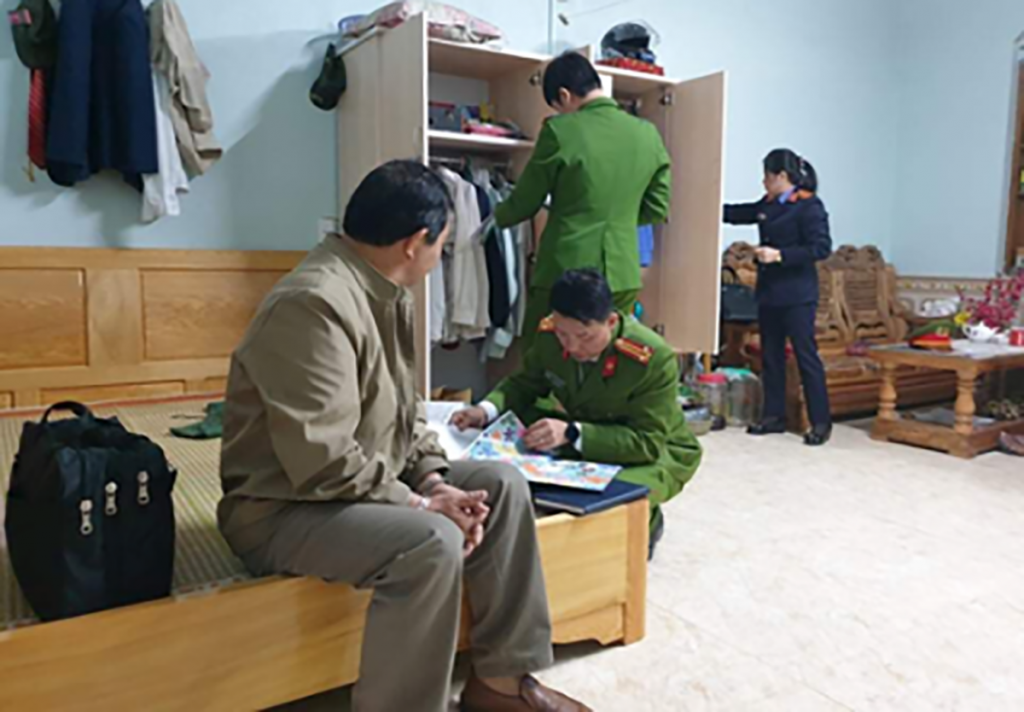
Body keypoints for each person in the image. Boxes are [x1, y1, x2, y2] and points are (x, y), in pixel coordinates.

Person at [218, 160, 590, 712]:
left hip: (355, 485)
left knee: (503, 485)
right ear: (415, 243)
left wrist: (435, 481)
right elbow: (323, 460)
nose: (441, 257)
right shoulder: (313, 305)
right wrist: (421, 504)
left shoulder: (382, 290)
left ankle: (500, 686)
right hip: (283, 507)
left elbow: (405, 416)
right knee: (431, 541)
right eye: (442, 244)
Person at [452, 269, 703, 559]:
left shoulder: (650, 358)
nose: (571, 346)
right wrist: (484, 411)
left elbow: (647, 442)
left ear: (611, 321)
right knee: (536, 489)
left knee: (611, 503)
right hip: (583, 433)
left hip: (653, 450)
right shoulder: (550, 335)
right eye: (563, 334)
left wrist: (572, 433)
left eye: (584, 336)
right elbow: (523, 383)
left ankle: (649, 520)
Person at [494, 52, 672, 349]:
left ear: (564, 95)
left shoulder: (559, 131)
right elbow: (657, 207)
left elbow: (526, 201)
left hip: (565, 270)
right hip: (622, 274)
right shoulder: (647, 134)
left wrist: (492, 220)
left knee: (544, 355)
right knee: (607, 358)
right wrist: (620, 219)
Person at [723, 148, 833, 446]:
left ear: (782, 176)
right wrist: (708, 205)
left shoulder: (809, 206)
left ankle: (820, 423)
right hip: (770, 293)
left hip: (798, 295)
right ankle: (773, 417)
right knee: (771, 357)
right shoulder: (769, 204)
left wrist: (780, 255)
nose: (764, 182)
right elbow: (739, 213)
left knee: (805, 356)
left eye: (767, 176)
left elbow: (821, 248)